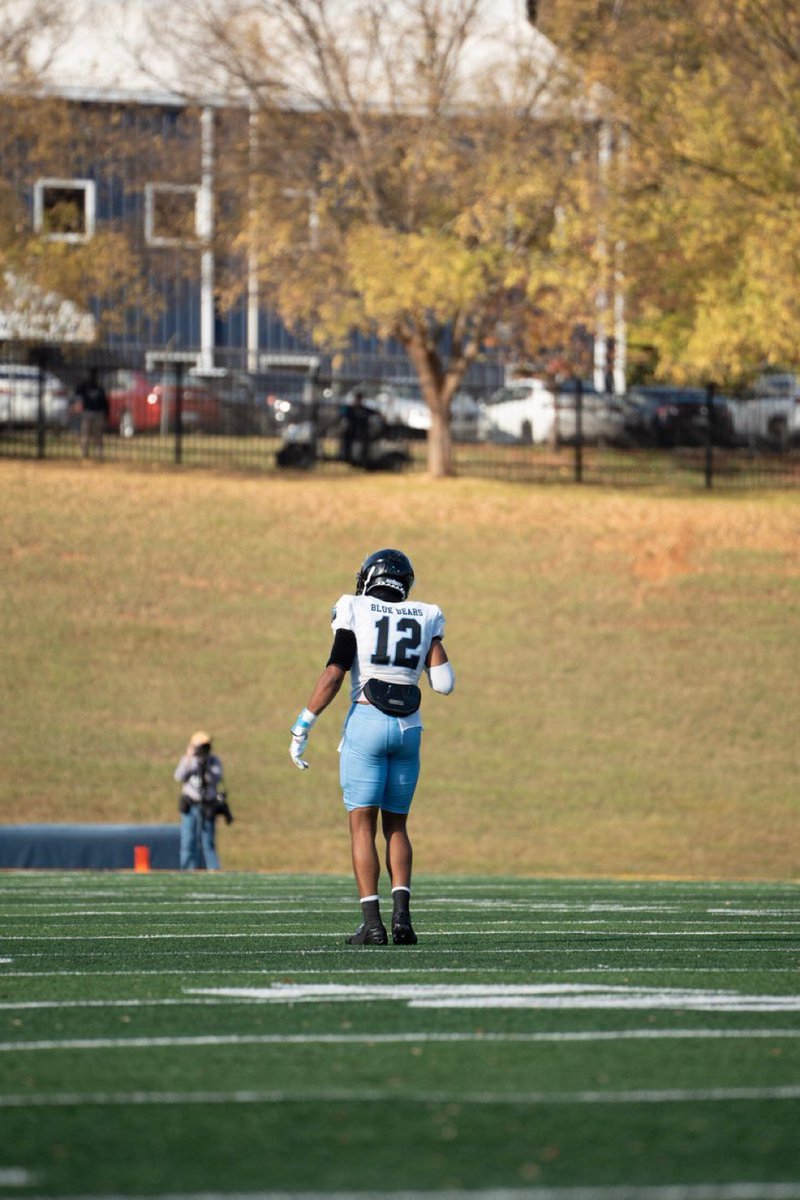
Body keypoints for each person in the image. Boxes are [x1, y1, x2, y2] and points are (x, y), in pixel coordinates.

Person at [289, 548, 455, 945]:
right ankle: (403, 920)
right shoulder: (427, 614)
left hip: (366, 719)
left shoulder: (354, 607)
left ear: (368, 578)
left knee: (361, 825)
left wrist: (302, 725)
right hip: (408, 728)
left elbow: (334, 672)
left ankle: (373, 924)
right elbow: (444, 683)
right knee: (396, 824)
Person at [174, 731, 226, 870]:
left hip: (208, 805)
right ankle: (187, 869)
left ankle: (214, 869)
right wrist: (191, 760)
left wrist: (206, 766)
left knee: (208, 841)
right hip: (190, 805)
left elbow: (217, 777)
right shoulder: (188, 760)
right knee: (188, 839)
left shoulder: (213, 761)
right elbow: (178, 776)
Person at [75, 367, 109, 460]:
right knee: (85, 434)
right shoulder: (83, 387)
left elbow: (104, 402)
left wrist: (106, 414)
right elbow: (78, 399)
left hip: (98, 413)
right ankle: (84, 452)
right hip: (87, 413)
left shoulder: (99, 388)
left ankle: (99, 453)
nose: (92, 378)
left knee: (98, 435)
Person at [340, 390, 378, 467]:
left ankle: (363, 461)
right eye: (357, 398)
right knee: (347, 441)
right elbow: (341, 413)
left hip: (362, 432)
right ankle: (347, 459)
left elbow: (375, 413)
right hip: (351, 432)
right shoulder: (349, 409)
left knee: (365, 444)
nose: (358, 400)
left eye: (359, 399)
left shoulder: (365, 409)